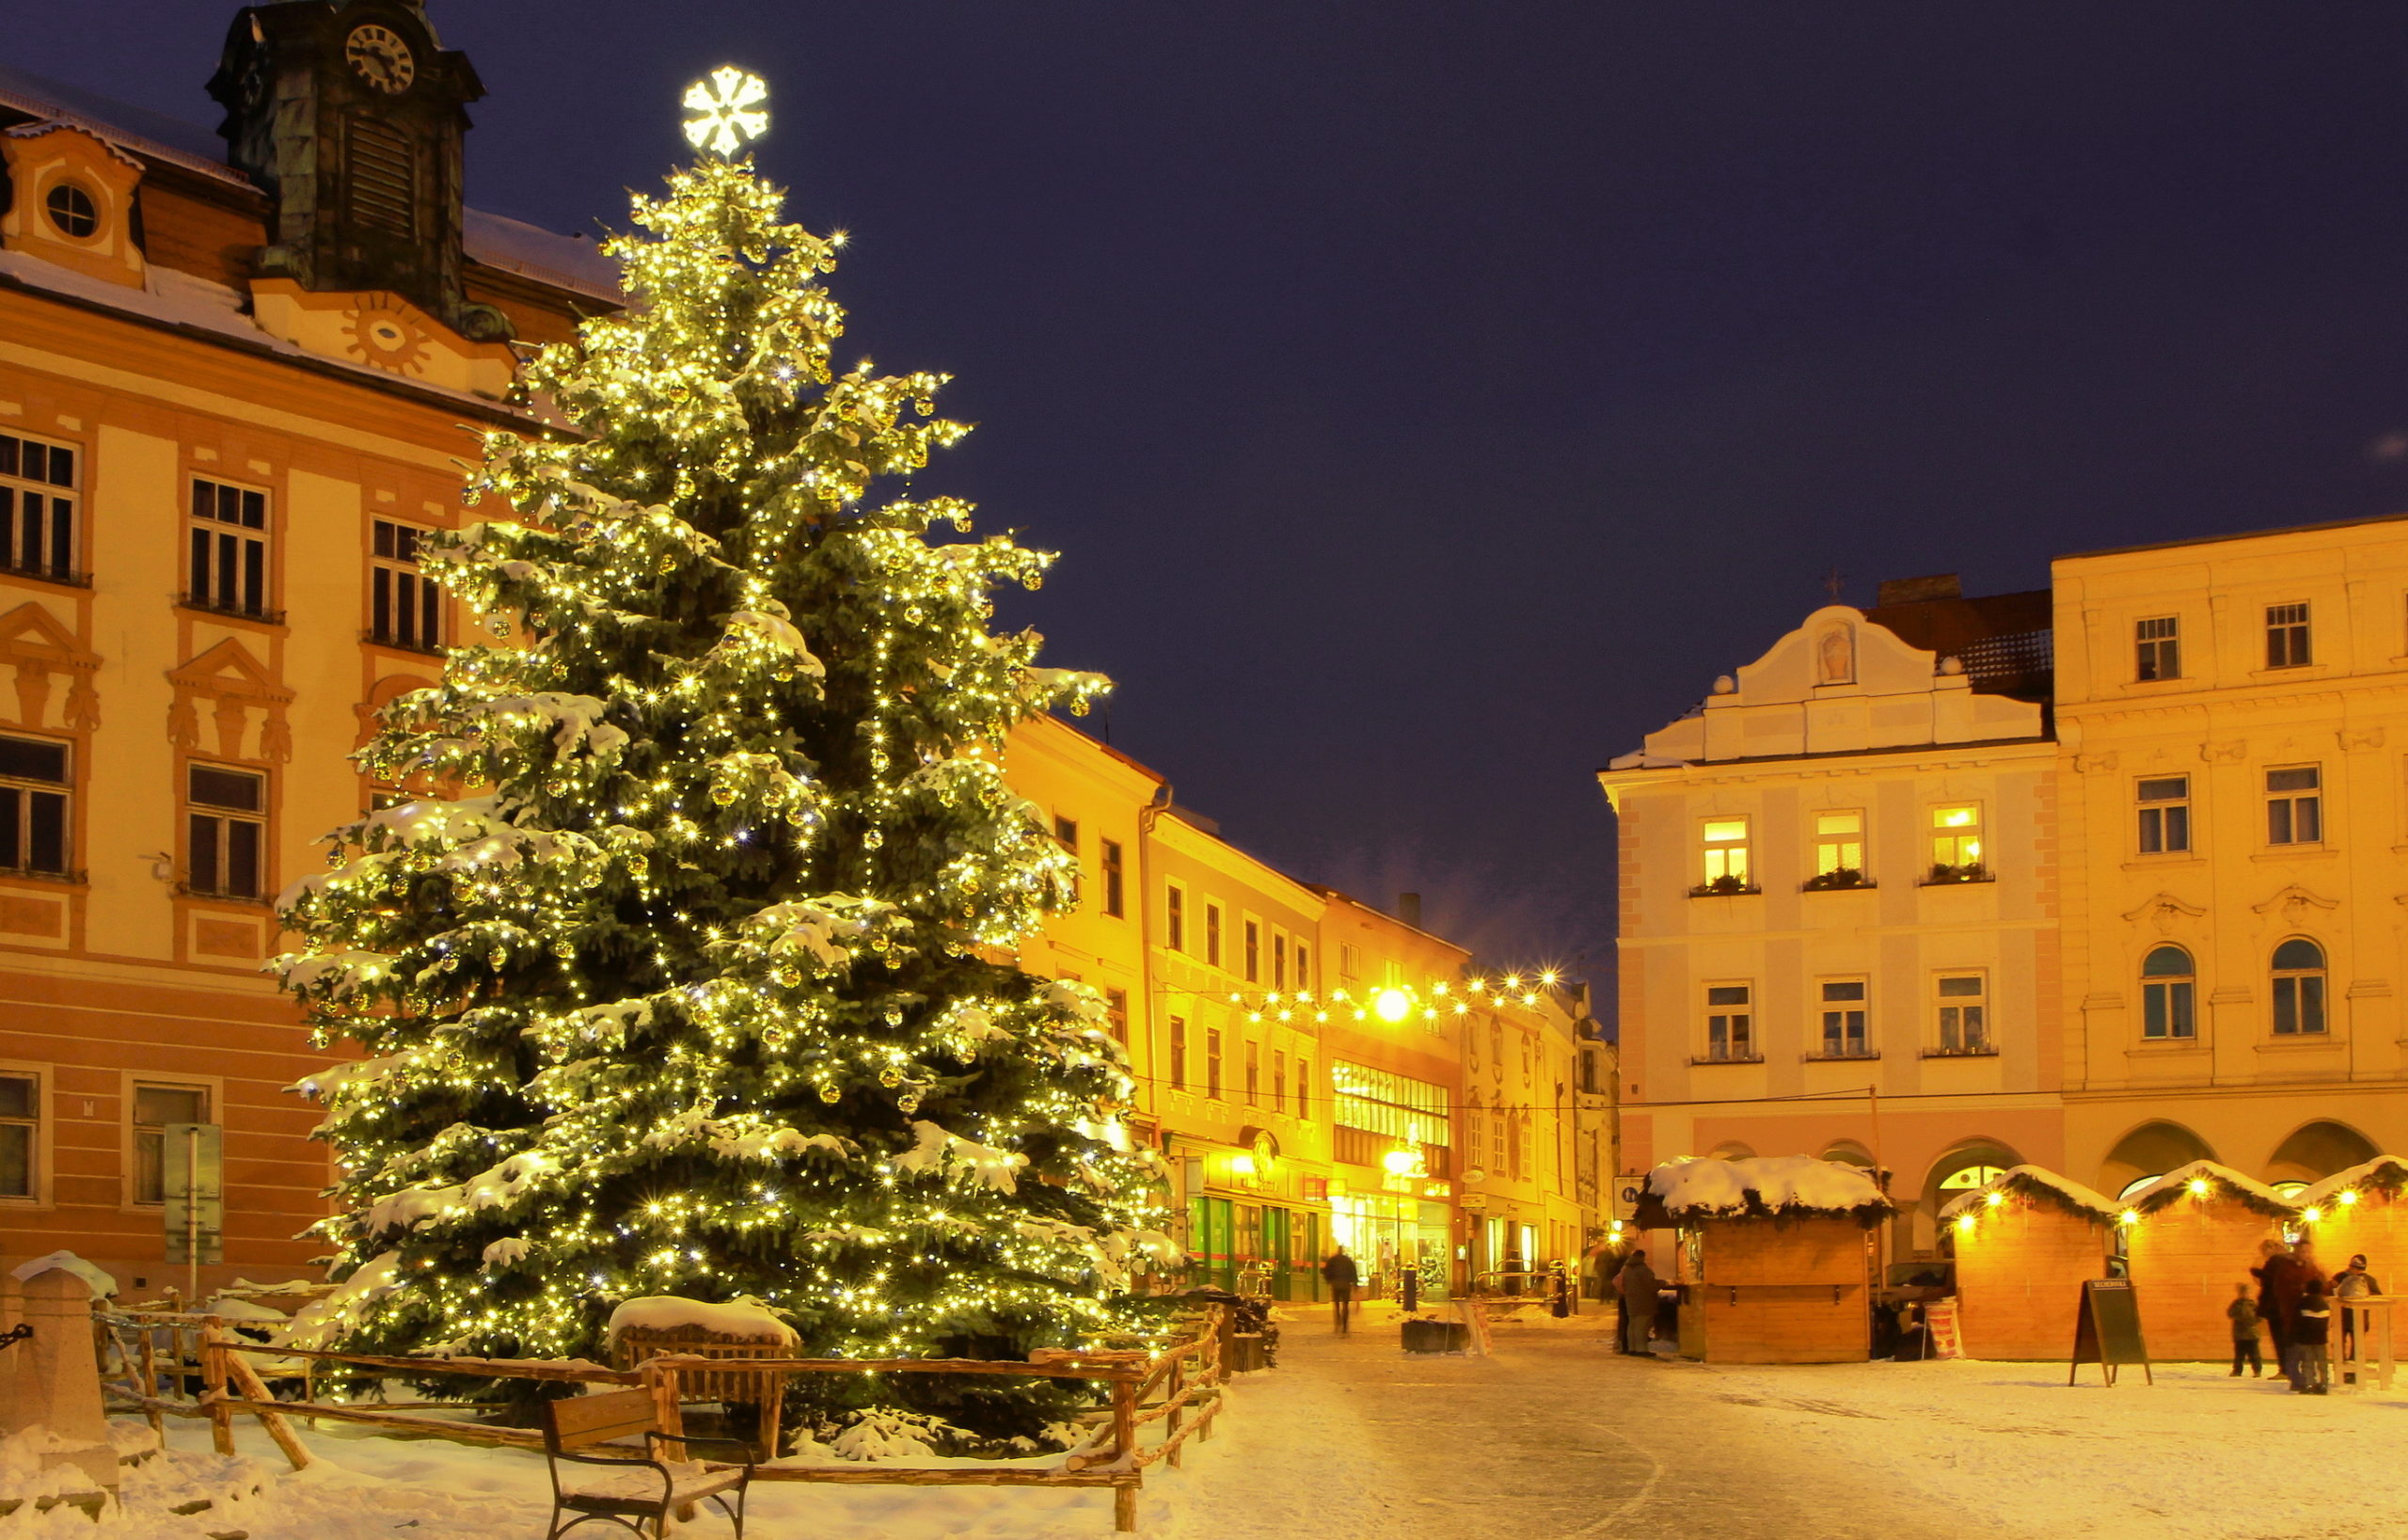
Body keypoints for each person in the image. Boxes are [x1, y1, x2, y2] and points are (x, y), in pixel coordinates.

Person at [2253, 1240, 2312, 1387]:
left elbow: (2268, 1280)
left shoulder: (2276, 1261)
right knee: (2290, 1339)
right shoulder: (2293, 1262)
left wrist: (2257, 1272)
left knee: (2280, 1338)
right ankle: (2295, 1369)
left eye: (2265, 1250)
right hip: (2292, 1306)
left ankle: (2285, 1369)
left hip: (2276, 1306)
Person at [2333, 1253, 2382, 1382]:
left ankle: (2353, 1373)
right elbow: (2330, 1288)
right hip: (2342, 1316)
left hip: (2359, 1318)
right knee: (2340, 1345)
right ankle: (2341, 1371)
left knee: (2356, 1347)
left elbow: (2377, 1295)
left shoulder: (2368, 1280)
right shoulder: (2341, 1277)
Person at [1617, 1250, 1660, 1356]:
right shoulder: (1643, 1270)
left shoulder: (1627, 1269)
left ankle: (1632, 1348)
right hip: (1643, 1301)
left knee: (1632, 1325)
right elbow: (1651, 1285)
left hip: (1630, 1300)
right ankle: (1641, 1349)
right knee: (1642, 1325)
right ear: (1642, 1257)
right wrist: (1662, 1283)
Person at [2293, 1279, 2334, 1394]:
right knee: (2322, 1362)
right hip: (2321, 1338)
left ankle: (2308, 1384)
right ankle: (2324, 1384)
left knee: (2307, 1361)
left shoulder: (2302, 1303)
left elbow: (2296, 1321)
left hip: (2306, 1338)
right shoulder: (2325, 1304)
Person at [2226, 1282, 2263, 1377]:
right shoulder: (2236, 1304)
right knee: (2239, 1355)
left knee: (2254, 1354)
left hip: (2252, 1334)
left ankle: (2257, 1371)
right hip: (2240, 1334)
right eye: (2243, 1292)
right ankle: (2237, 1371)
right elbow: (2230, 1313)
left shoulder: (2253, 1304)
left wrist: (2252, 1320)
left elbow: (2260, 1317)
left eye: (2247, 1292)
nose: (2245, 1294)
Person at [1322, 1247, 1360, 1334]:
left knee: (1336, 1305)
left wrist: (1329, 1281)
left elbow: (1327, 1271)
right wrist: (1355, 1285)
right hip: (1346, 1285)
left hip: (1336, 1285)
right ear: (1343, 1251)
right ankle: (1345, 1326)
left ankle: (1338, 1321)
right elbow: (1353, 1272)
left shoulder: (1332, 1260)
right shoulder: (1348, 1260)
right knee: (1345, 1305)